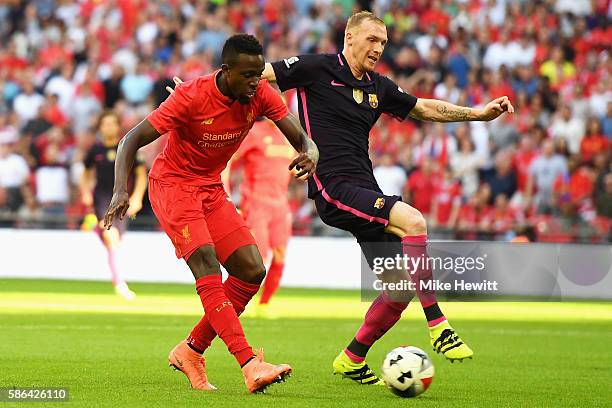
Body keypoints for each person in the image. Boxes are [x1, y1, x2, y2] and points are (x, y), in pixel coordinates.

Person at [261, 11, 513, 384]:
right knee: (414, 220)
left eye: (383, 43)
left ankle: (351, 358)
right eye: (372, 40)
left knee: (398, 289)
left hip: (365, 188)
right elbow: (254, 74)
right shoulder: (315, 68)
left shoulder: (378, 87)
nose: (378, 48)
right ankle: (439, 324)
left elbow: (424, 107)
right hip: (333, 187)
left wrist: (478, 114)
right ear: (349, 38)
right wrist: (199, 90)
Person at [103, 34, 318, 394]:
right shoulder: (191, 97)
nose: (256, 81)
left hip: (210, 187)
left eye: (259, 73)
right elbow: (129, 140)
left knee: (252, 271)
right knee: (206, 263)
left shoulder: (261, 94)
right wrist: (120, 190)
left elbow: (302, 137)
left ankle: (191, 351)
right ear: (226, 71)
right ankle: (250, 364)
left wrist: (311, 152)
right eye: (248, 74)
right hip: (173, 185)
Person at [223, 118, 295, 316]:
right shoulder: (254, 132)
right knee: (257, 258)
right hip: (256, 202)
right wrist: (226, 189)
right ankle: (232, 300)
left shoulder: (289, 134)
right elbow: (228, 158)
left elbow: (296, 165)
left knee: (280, 255)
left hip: (281, 204)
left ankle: (264, 304)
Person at [81, 111, 147, 300]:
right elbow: (85, 173)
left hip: (123, 201)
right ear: (100, 127)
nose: (108, 127)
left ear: (118, 126)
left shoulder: (128, 147)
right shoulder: (95, 150)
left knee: (116, 241)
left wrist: (137, 198)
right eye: (105, 124)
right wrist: (85, 191)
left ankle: (96, 228)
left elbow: (142, 174)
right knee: (111, 238)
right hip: (102, 199)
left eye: (112, 124)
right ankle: (119, 283)